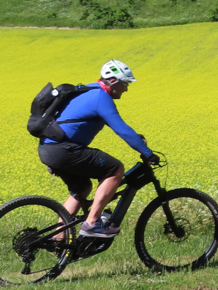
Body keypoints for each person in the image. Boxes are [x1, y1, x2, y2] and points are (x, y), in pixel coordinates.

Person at [37, 59, 159, 238]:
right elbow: (122, 130)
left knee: (83, 188)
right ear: (113, 81)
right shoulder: (101, 97)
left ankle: (58, 239)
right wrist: (147, 153)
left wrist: (137, 139)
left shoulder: (87, 90)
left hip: (49, 149)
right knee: (115, 169)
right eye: (124, 84)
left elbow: (117, 127)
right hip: (64, 151)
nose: (126, 89)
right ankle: (92, 224)